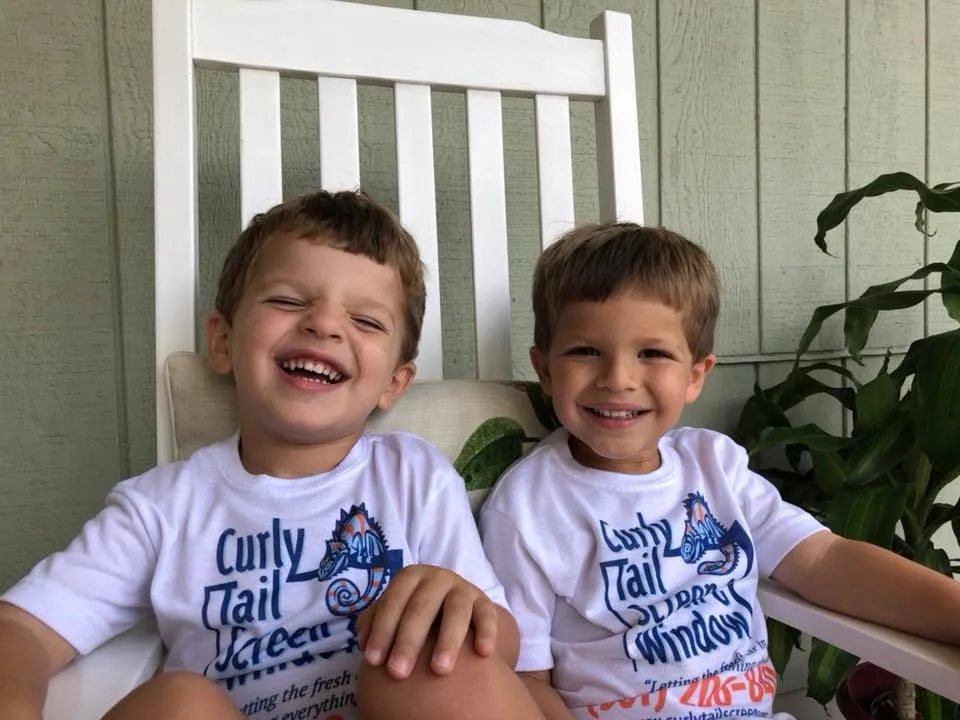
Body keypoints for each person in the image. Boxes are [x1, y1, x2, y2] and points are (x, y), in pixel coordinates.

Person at [0, 190, 545, 720]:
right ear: (222, 340)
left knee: (439, 662)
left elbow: (503, 650)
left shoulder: (413, 475)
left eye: (366, 320)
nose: (325, 324)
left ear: (394, 383)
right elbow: (21, 628)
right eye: (288, 300)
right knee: (177, 702)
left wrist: (461, 606)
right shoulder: (161, 508)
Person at [479, 222, 960, 720]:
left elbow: (823, 561)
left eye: (653, 353)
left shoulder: (715, 466)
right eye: (585, 351)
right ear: (545, 369)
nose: (618, 379)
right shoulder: (526, 508)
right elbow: (524, 678)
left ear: (694, 375)